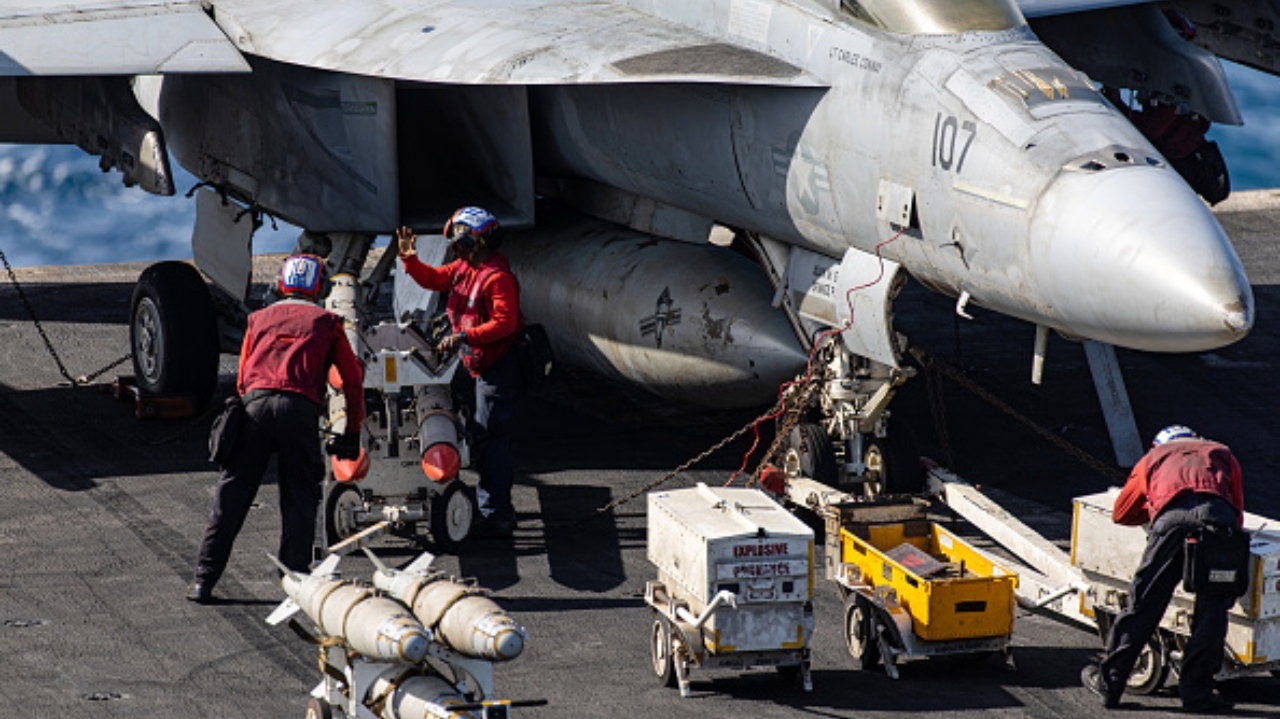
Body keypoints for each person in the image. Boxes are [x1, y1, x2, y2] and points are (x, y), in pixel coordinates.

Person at [188, 254, 364, 603]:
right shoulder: (327, 322)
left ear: (283, 283)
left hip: (254, 406)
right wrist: (352, 431)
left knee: (231, 497)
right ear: (319, 287)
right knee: (299, 497)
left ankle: (202, 582)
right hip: (299, 411)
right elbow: (352, 380)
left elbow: (241, 379)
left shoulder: (258, 318)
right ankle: (294, 582)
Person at [1080, 424, 1246, 712]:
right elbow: (1237, 509)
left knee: (1144, 605)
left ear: (1159, 444)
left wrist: (1157, 506)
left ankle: (1111, 685)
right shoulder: (1221, 452)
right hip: (1218, 521)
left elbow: (1122, 512)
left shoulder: (1154, 457)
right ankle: (1197, 695)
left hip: (1171, 521)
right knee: (1213, 612)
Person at [395, 206, 525, 539]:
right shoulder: (465, 268)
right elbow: (435, 279)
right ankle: (489, 506)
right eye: (456, 248)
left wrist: (465, 336)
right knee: (475, 434)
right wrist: (409, 260)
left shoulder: (497, 277)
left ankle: (495, 514)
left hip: (495, 369)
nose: (458, 252)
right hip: (473, 364)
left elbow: (505, 323)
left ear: (480, 243)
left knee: (491, 440)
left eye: (463, 246)